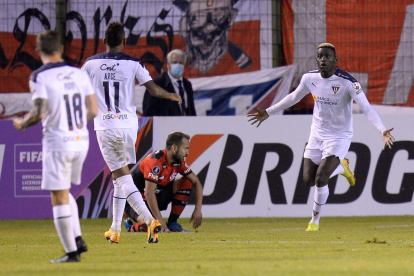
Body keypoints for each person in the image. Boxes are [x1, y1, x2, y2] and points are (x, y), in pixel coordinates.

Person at [248, 43, 395, 231]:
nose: (323, 60)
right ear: (316, 60)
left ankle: (314, 222)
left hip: (339, 137)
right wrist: (269, 112)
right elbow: (294, 97)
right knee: (308, 180)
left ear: (335, 61)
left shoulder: (348, 82)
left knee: (321, 178)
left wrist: (381, 129)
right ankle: (342, 168)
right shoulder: (310, 78)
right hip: (317, 135)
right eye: (320, 57)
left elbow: (367, 109)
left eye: (327, 56)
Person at [81, 22, 182, 244]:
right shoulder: (133, 63)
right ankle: (115, 229)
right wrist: (171, 96)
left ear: (104, 41)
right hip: (128, 126)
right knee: (118, 179)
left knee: (122, 177)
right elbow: (153, 89)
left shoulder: (90, 64)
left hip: (107, 127)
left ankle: (149, 220)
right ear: (125, 42)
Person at [13, 30, 98, 263]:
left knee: (58, 196)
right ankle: (78, 238)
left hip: (58, 142)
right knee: (65, 191)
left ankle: (72, 253)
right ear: (61, 49)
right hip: (81, 140)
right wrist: (76, 126)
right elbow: (93, 110)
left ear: (38, 50)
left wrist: (22, 123)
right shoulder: (78, 73)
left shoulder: (39, 76)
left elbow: (39, 112)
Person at [123, 131, 203, 233]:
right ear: (174, 148)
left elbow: (196, 182)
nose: (187, 153)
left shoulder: (178, 162)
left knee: (187, 181)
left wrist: (198, 209)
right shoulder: (155, 162)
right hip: (137, 202)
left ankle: (173, 223)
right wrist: (160, 222)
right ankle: (132, 227)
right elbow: (149, 193)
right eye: (185, 148)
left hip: (156, 197)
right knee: (151, 226)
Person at [142, 49, 197, 116]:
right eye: (174, 62)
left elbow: (191, 111)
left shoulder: (187, 85)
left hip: (185, 125)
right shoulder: (155, 85)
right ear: (168, 65)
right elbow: (148, 114)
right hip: (164, 125)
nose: (178, 65)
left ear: (184, 65)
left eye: (181, 63)